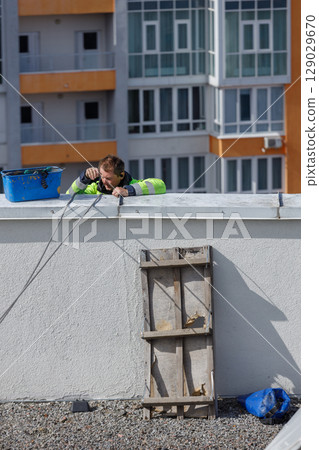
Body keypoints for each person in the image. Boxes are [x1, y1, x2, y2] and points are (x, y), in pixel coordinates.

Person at [66, 155, 166, 197]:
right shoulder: (95, 188)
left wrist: (128, 191)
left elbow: (161, 185)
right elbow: (69, 195)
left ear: (121, 175)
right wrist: (84, 178)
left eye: (108, 178)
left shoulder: (133, 184)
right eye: (102, 176)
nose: (103, 181)